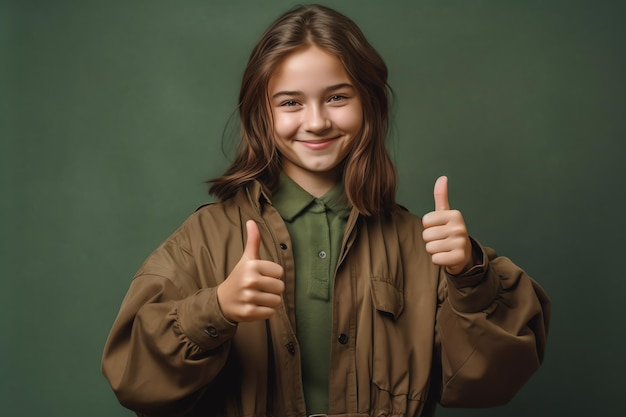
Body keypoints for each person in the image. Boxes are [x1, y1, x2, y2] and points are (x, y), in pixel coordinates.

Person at [102, 4, 550, 417]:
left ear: (369, 104)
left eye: (337, 97)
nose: (316, 121)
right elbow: (135, 383)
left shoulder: (424, 247)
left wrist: (470, 276)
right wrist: (215, 310)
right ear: (262, 113)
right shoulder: (204, 237)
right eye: (291, 102)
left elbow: (487, 385)